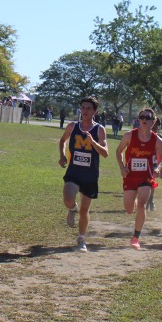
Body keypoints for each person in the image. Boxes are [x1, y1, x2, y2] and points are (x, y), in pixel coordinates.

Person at [58, 97, 109, 252]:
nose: (85, 111)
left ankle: (81, 240)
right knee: (68, 200)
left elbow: (105, 153)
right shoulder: (72, 126)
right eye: (83, 107)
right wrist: (62, 155)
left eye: (88, 108)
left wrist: (93, 142)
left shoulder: (99, 129)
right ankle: (72, 208)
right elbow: (63, 141)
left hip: (90, 175)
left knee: (85, 210)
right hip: (74, 171)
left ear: (95, 111)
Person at [115, 108, 162, 250]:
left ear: (153, 121)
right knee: (129, 209)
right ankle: (134, 202)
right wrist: (122, 167)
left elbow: (161, 157)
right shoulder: (129, 135)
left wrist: (158, 167)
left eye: (147, 118)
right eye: (142, 117)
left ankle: (135, 238)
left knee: (142, 205)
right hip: (130, 176)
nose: (144, 119)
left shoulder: (157, 140)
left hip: (146, 177)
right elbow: (118, 151)